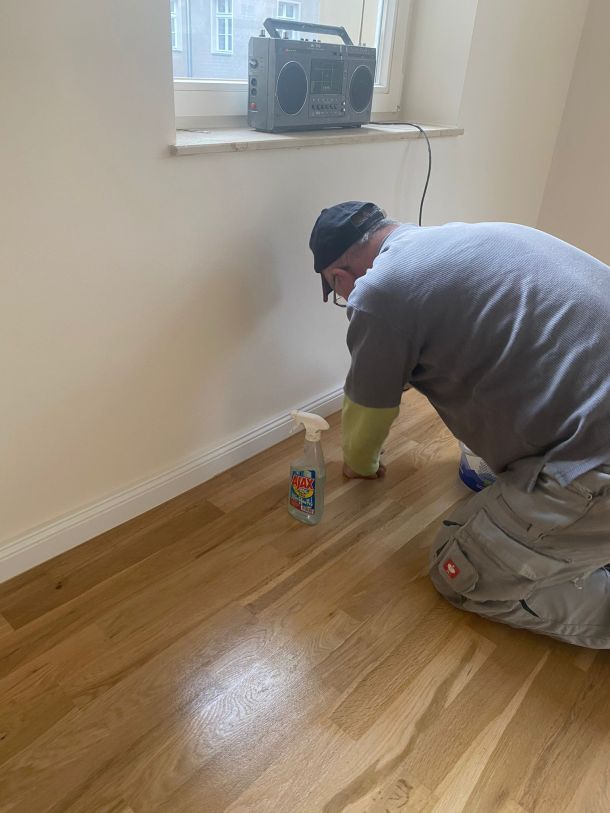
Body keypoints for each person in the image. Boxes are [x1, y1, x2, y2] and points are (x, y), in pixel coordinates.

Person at [309, 200, 610, 648]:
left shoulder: (379, 292)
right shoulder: (487, 234)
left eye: (339, 293)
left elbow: (367, 411)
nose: (346, 299)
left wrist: (360, 465)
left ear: (339, 277)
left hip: (594, 463)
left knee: (461, 571)